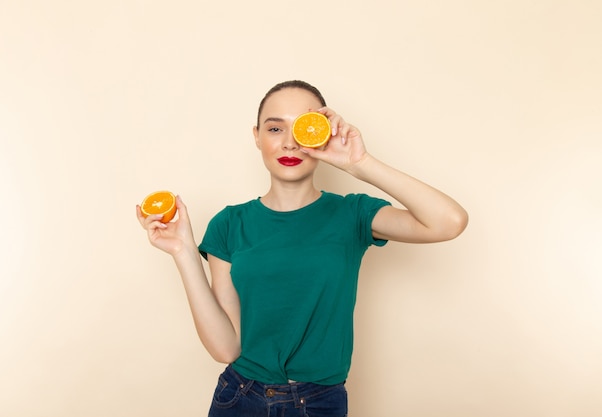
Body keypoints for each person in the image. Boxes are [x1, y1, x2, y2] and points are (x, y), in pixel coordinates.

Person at [137, 80, 468, 417]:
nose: (290, 142)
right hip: (239, 397)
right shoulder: (229, 223)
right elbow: (226, 347)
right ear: (257, 136)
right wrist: (184, 253)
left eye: (304, 127)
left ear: (321, 134)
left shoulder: (351, 214)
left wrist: (360, 162)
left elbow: (448, 221)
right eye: (275, 128)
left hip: (320, 403)